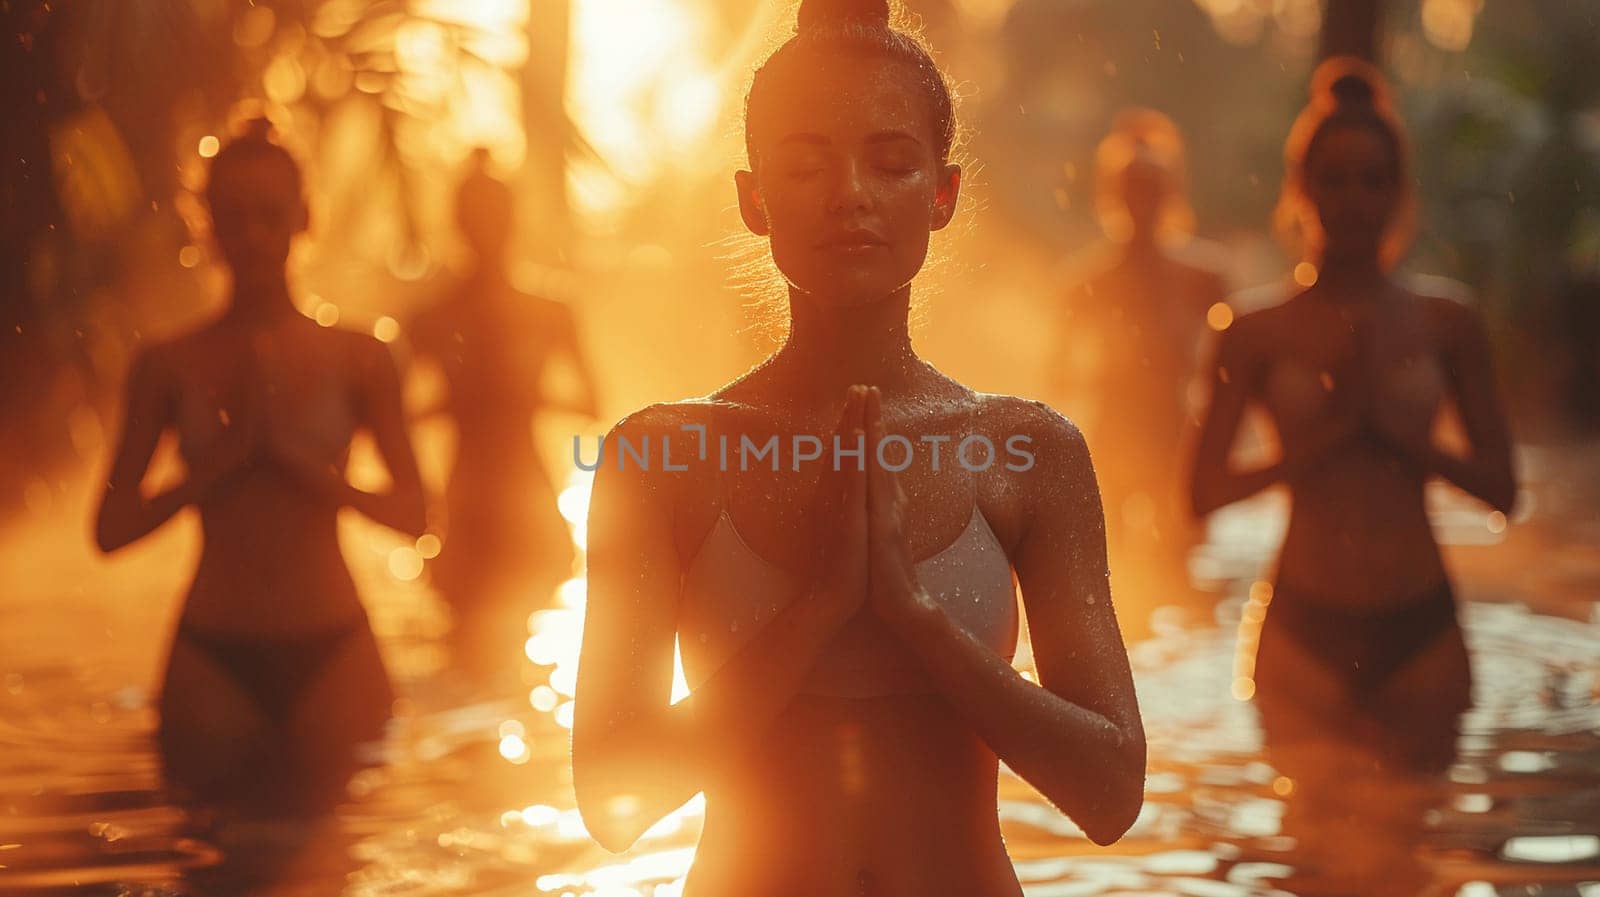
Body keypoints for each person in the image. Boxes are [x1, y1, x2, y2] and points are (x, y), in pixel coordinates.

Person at [571, 2, 1145, 893]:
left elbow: (1111, 792)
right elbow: (611, 800)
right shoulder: (662, 458)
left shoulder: (1030, 452)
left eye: (891, 163)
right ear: (754, 200)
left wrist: (918, 619)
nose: (851, 194)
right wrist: (821, 608)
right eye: (807, 165)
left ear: (943, 193)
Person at [1189, 57, 1517, 889]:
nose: (1353, 200)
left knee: (1409, 861)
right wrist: (1317, 443)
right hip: (1301, 633)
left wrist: (1403, 441)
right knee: (1310, 861)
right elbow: (1198, 495)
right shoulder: (1255, 329)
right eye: (1333, 180)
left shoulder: (1449, 321)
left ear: (1398, 193)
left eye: (1373, 180)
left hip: (1424, 635)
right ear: (1300, 191)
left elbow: (1505, 490)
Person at [95, 118, 428, 813]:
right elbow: (110, 527)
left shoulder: (362, 355)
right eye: (233, 217)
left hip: (335, 650)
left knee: (341, 861)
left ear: (303, 218)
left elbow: (420, 516)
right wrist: (214, 470)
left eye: (269, 216)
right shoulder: (167, 364)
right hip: (211, 655)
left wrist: (316, 476)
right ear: (205, 225)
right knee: (211, 860)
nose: (251, 237)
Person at [408, 149, 599, 679]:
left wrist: (523, 399)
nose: (485, 228)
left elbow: (593, 404)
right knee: (470, 650)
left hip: (525, 496)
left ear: (512, 219)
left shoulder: (549, 310)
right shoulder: (430, 317)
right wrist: (456, 405)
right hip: (468, 499)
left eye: (494, 214)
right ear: (458, 223)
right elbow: (394, 417)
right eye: (476, 215)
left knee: (515, 647)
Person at [1054, 109, 1230, 634]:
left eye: (1152, 187)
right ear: (1111, 194)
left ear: (1172, 193)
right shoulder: (1087, 281)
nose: (1142, 200)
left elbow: (1230, 376)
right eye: (1132, 187)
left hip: (1177, 438)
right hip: (1113, 438)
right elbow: (1057, 378)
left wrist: (1221, 448)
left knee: (1181, 575)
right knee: (1115, 578)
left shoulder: (1205, 280)